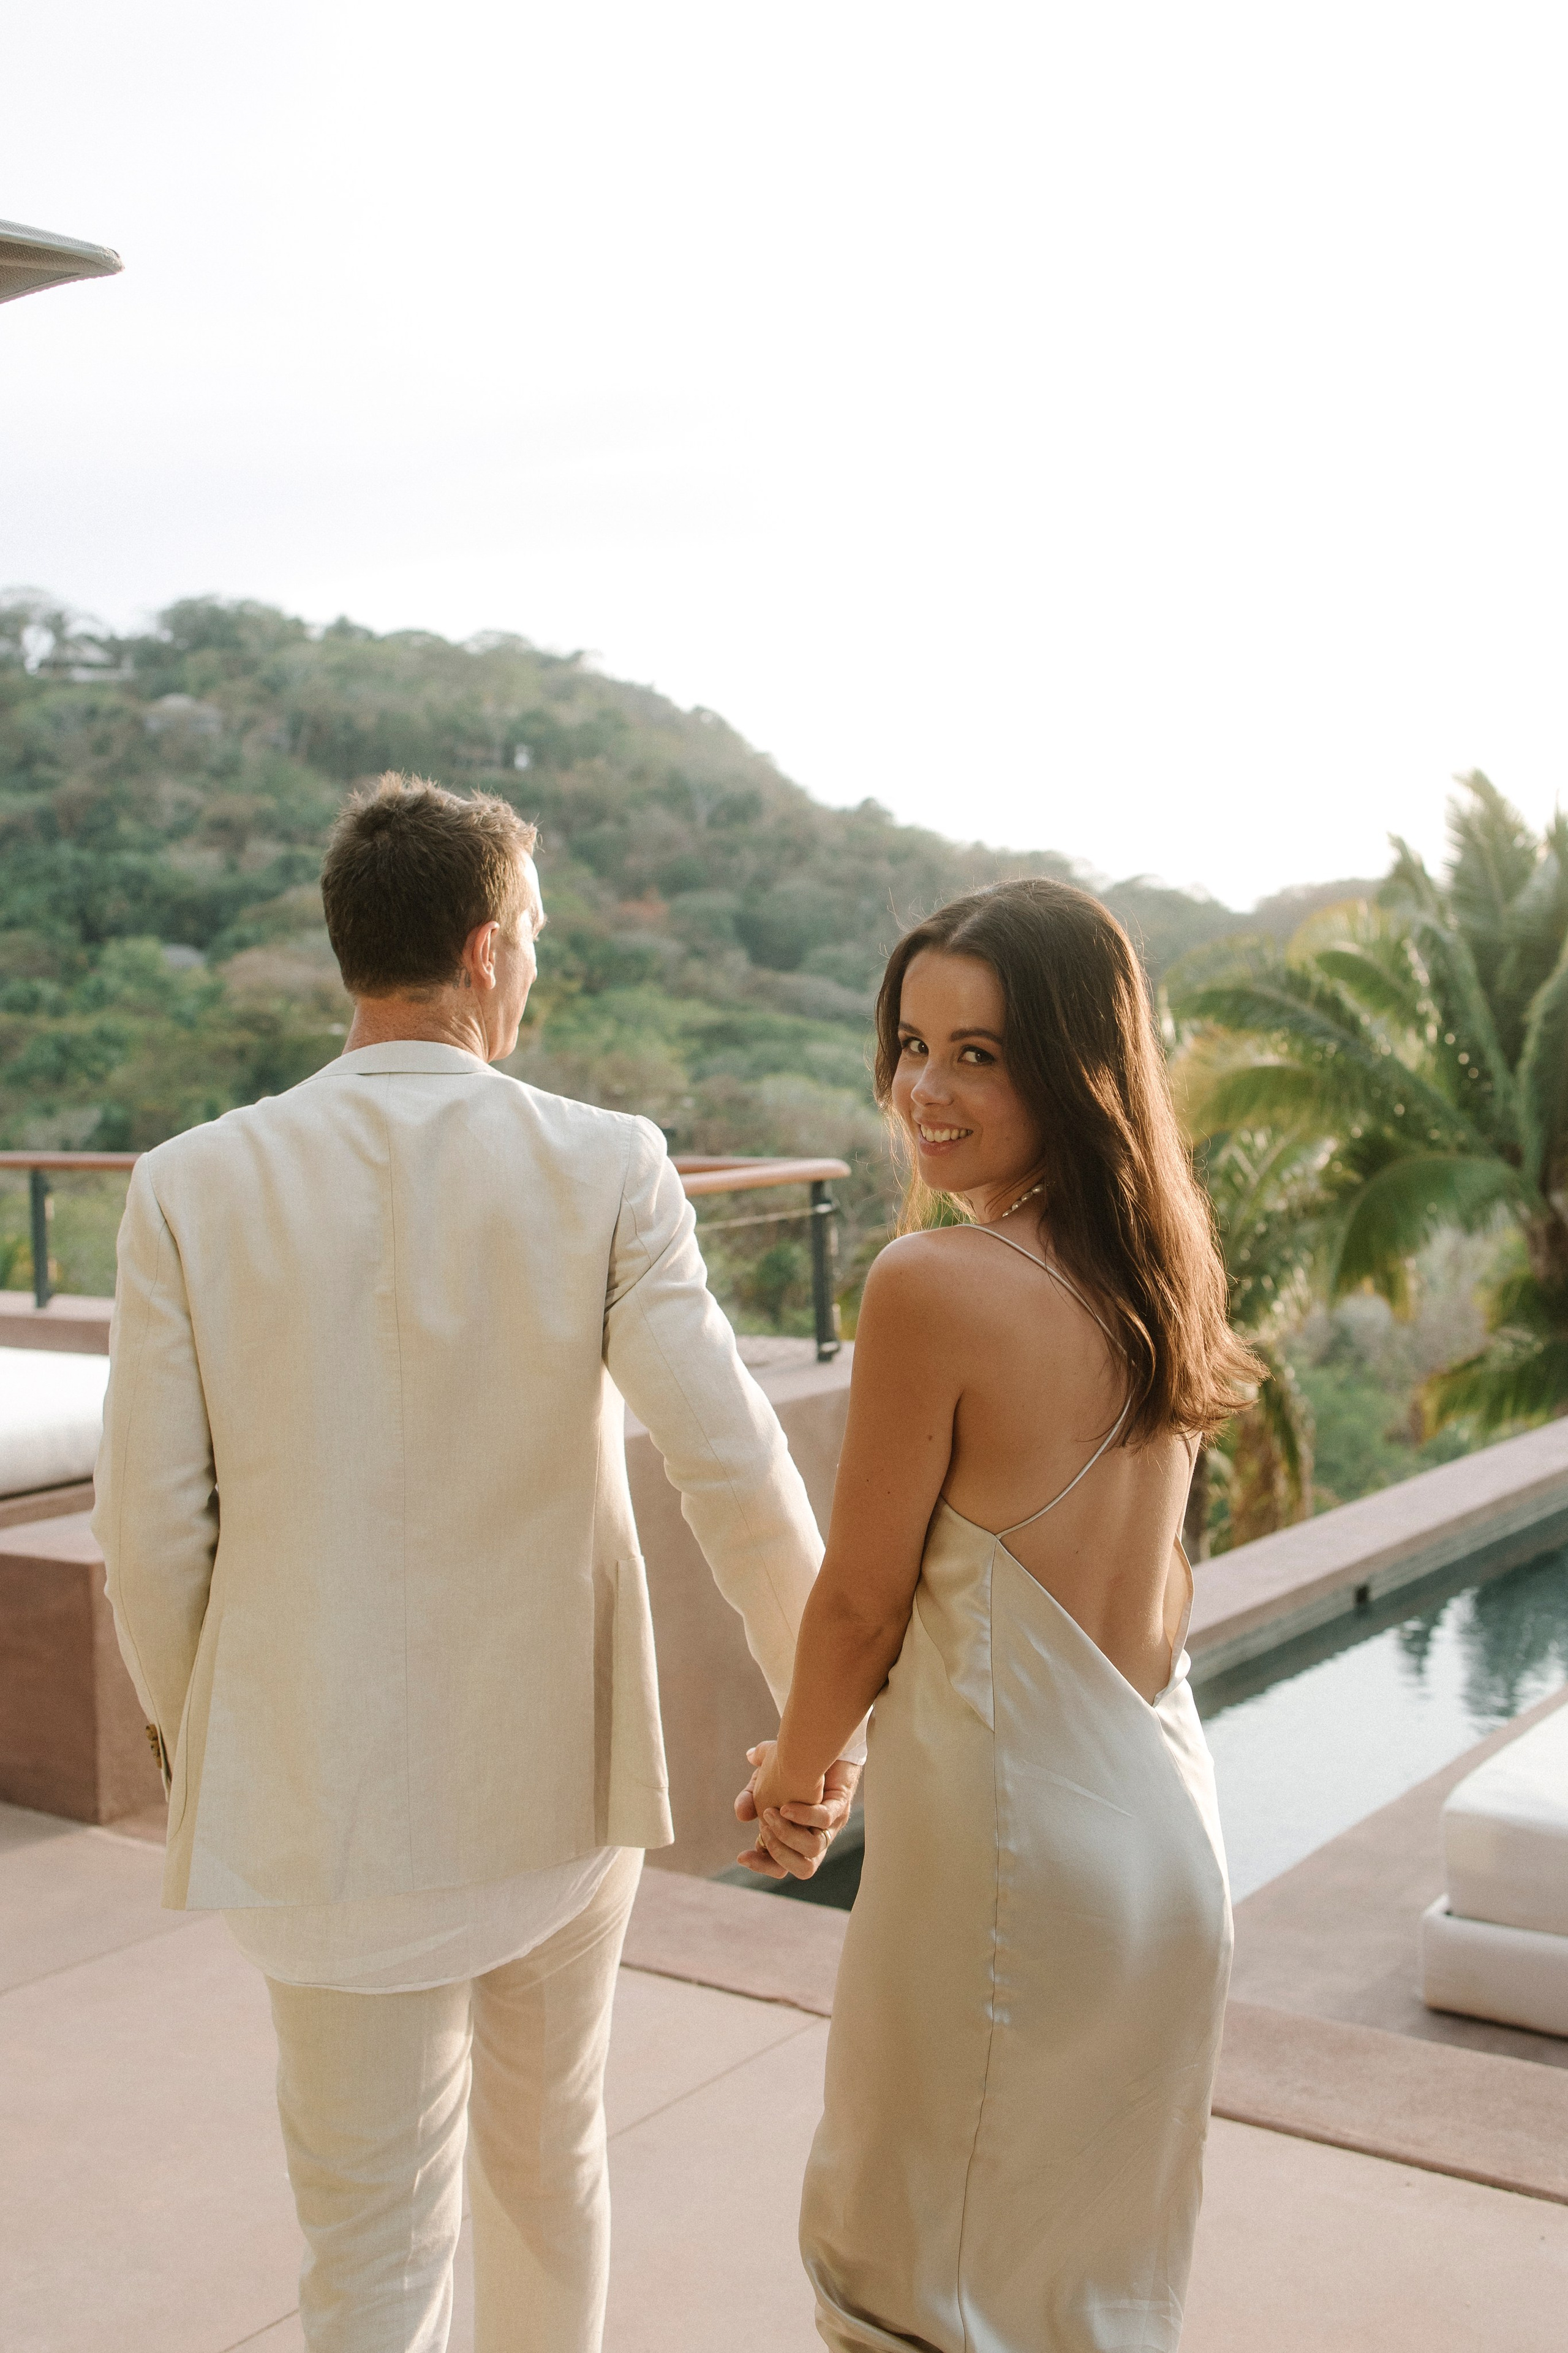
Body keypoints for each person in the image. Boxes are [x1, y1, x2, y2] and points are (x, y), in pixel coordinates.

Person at [93, 772, 859, 2353]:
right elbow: (729, 1460)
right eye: (537, 939)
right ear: (486, 948)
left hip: (317, 1809)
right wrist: (818, 1719)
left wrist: (207, 1740)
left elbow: (150, 1530)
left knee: (368, 2251)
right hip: (551, 1796)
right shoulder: (608, 1164)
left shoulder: (190, 1181)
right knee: (549, 2165)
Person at [741, 877, 1256, 2352]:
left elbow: (857, 1603)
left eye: (978, 1051)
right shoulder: (1164, 1270)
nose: (924, 1088)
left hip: (1009, 1874)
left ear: (1072, 1067)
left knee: (910, 2277)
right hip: (1160, 1854)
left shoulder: (933, 1281)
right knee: (1078, 2290)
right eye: (910, 1043)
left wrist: (796, 1784)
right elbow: (1154, 1591)